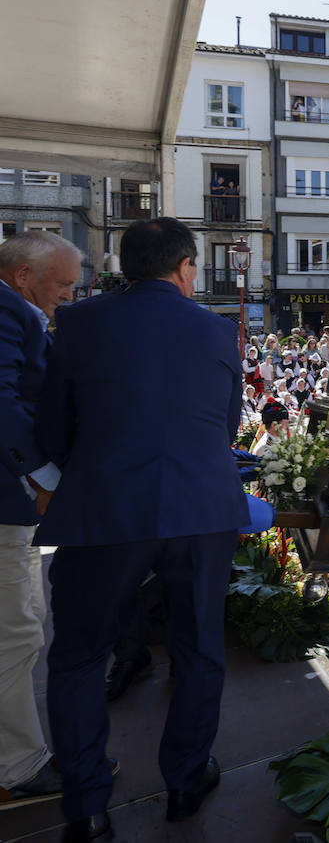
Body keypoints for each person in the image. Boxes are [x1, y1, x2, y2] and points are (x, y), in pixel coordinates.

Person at [37, 218, 250, 839]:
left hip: (105, 508)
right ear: (185, 267)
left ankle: (86, 807)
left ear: (124, 267)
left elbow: (52, 428)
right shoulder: (216, 331)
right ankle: (184, 781)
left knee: (78, 658)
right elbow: (227, 427)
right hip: (199, 509)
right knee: (199, 649)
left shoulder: (78, 324)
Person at [0, 232, 79, 809]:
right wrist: (43, 478)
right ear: (24, 276)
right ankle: (18, 767)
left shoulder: (19, 310)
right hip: (7, 502)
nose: (67, 296)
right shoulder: (7, 312)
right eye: (62, 284)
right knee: (17, 635)